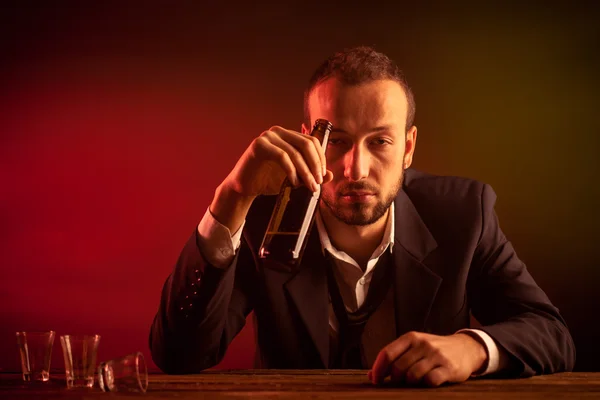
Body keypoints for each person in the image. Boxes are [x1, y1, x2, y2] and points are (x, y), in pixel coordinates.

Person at [149, 46, 575, 386]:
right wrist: (229, 199)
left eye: (380, 142)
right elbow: (178, 356)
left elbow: (552, 335)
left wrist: (472, 349)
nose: (356, 169)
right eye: (337, 140)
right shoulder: (260, 217)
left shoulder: (464, 213)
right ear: (307, 140)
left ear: (408, 148)